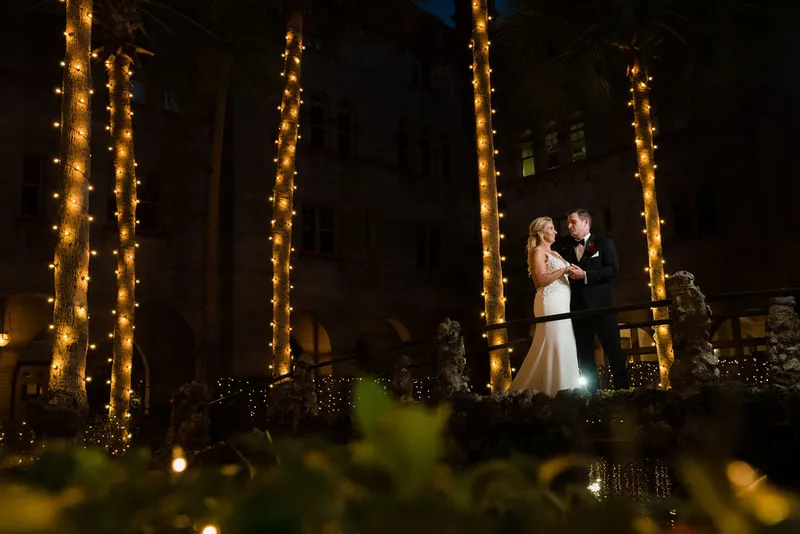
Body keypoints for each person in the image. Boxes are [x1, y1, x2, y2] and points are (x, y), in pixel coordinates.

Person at [508, 216, 583, 396]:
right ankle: (550, 391)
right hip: (550, 302)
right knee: (552, 341)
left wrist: (571, 272)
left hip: (563, 304)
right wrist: (563, 270)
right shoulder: (537, 252)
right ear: (541, 233)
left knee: (565, 342)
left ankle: (568, 389)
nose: (556, 231)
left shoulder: (555, 253)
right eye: (551, 228)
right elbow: (540, 280)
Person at [558, 209, 630, 391]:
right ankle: (592, 395)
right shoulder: (565, 248)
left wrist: (585, 275)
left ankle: (623, 391)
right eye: (568, 223)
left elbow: (613, 271)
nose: (569, 226)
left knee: (613, 349)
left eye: (573, 222)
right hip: (578, 309)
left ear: (586, 223)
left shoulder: (604, 244)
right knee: (585, 353)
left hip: (602, 306)